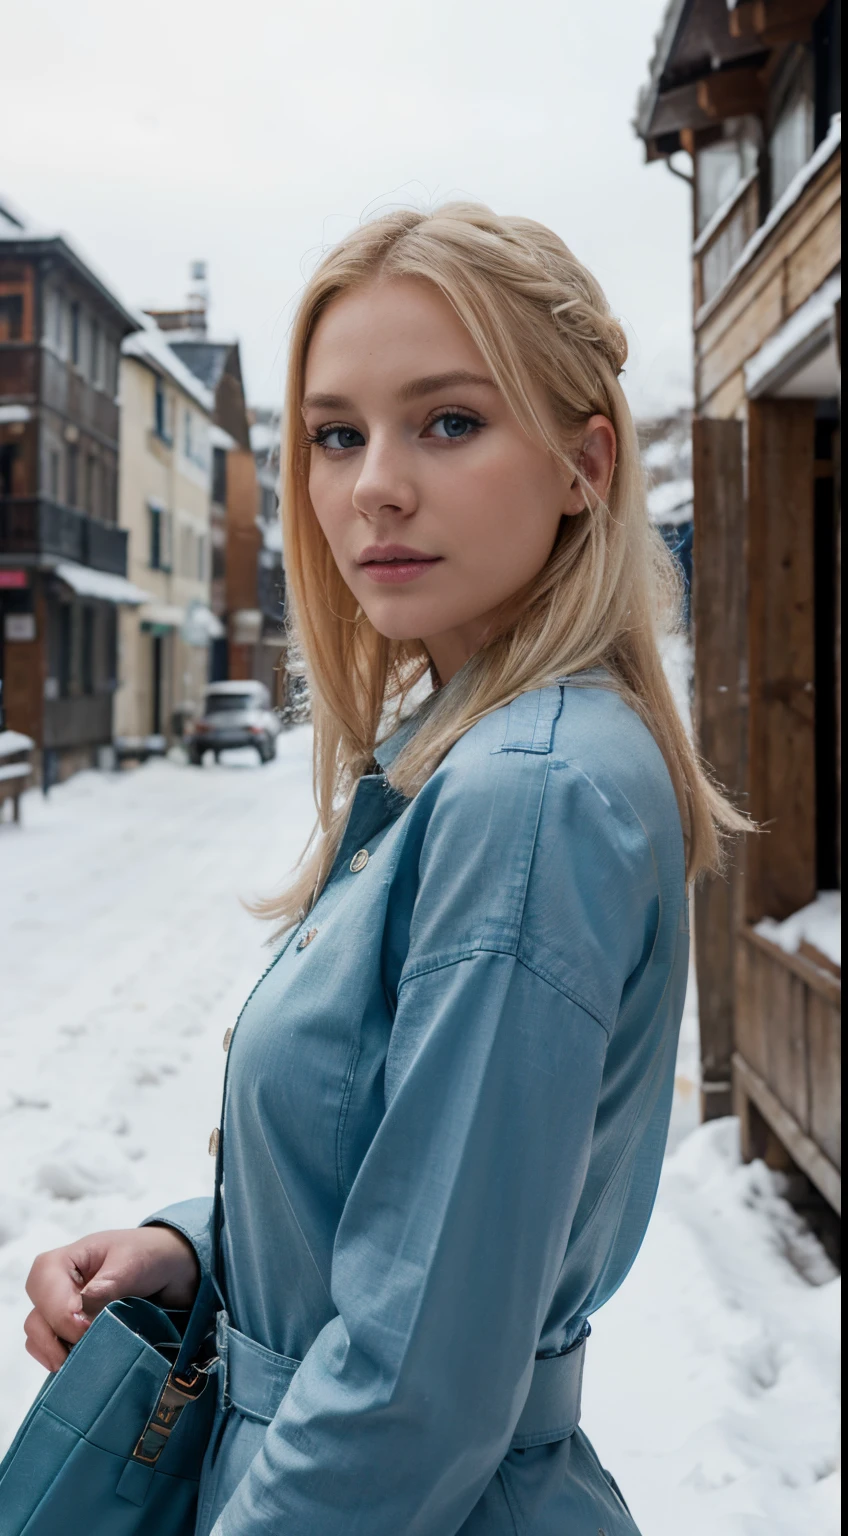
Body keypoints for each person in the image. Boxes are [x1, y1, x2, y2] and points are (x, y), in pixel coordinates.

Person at [23, 204, 743, 1535]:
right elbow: (411, 1214)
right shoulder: (466, 757)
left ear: (587, 462)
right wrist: (199, 1253)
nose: (375, 487)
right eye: (336, 435)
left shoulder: (529, 796)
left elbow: (415, 1394)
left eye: (450, 422)